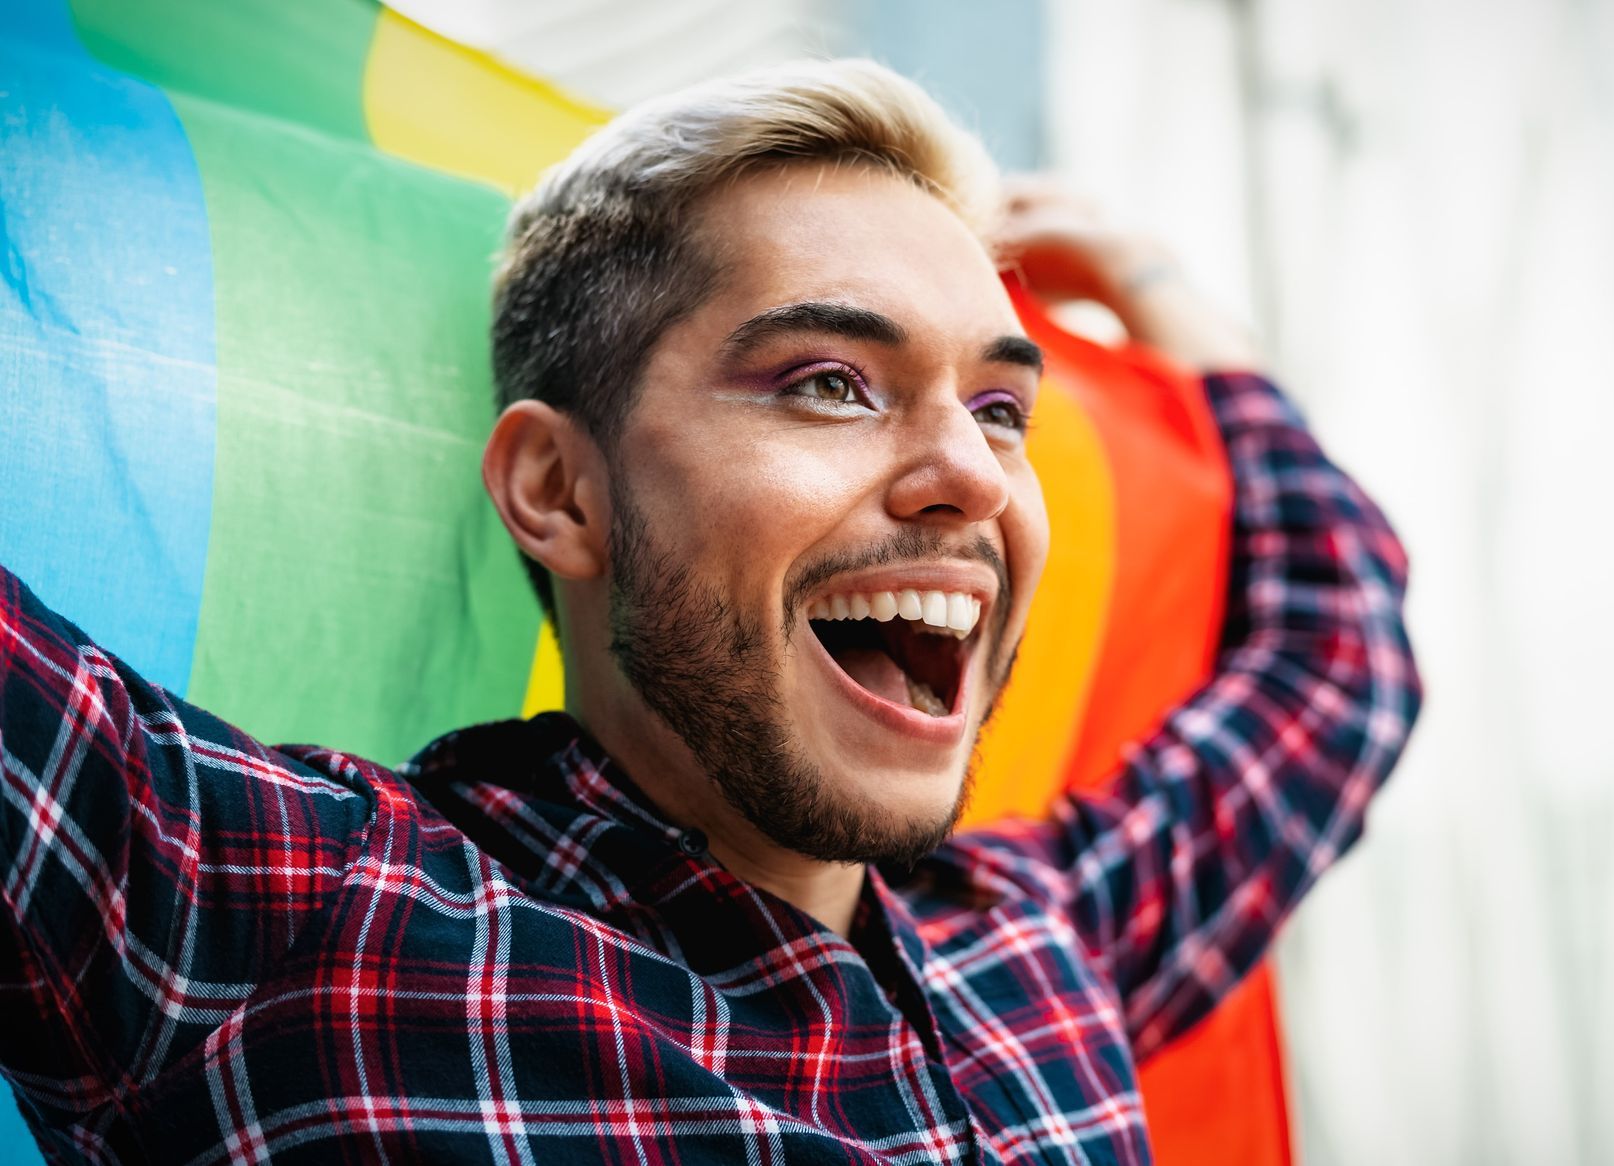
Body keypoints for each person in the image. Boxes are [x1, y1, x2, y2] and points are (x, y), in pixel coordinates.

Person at [0, 59, 1419, 1163]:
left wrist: (1172, 305)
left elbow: (1335, 672)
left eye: (1003, 409)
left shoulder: (1041, 939)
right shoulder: (275, 914)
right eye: (828, 382)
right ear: (560, 490)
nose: (972, 479)